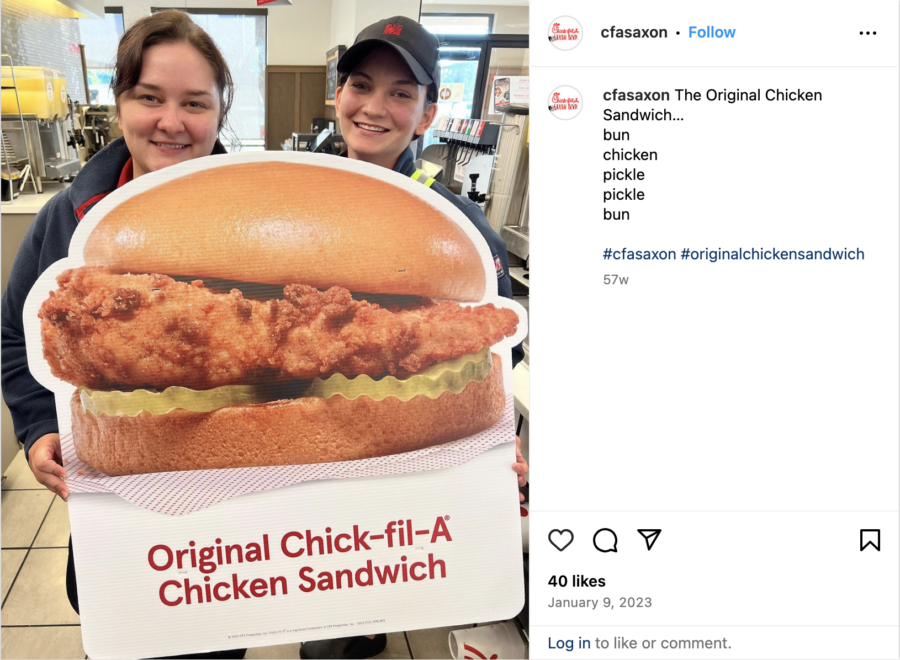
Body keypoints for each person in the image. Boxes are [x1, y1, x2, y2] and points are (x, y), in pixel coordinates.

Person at [0, 10, 244, 659]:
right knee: (121, 633)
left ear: (222, 112)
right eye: (149, 97)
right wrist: (36, 429)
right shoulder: (68, 217)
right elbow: (13, 333)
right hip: (115, 502)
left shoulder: (256, 217)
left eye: (195, 103)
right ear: (120, 103)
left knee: (216, 641)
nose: (171, 121)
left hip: (235, 514)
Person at [298, 16, 528, 660]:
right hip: (300, 429)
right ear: (337, 94)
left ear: (428, 115)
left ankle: (361, 626)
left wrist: (497, 438)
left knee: (340, 622)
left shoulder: (456, 222)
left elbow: (495, 341)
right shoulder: (298, 187)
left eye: (401, 93)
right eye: (361, 85)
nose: (374, 108)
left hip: (393, 437)